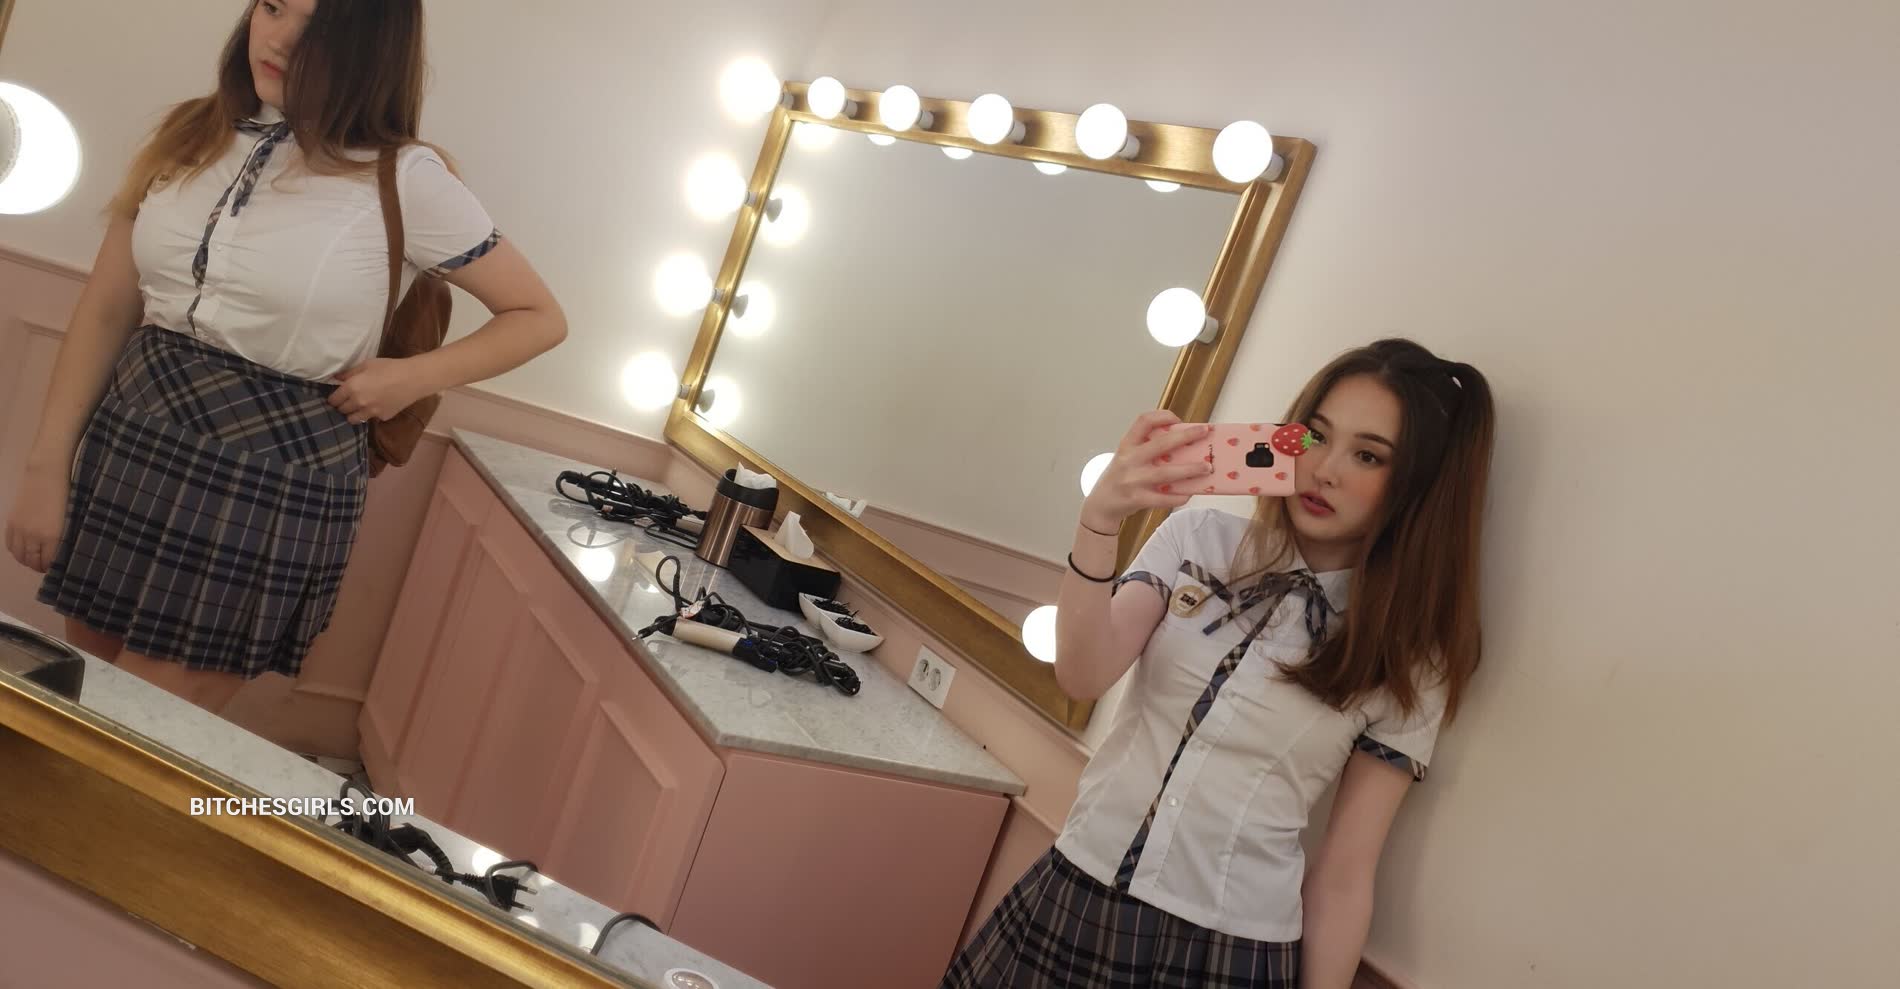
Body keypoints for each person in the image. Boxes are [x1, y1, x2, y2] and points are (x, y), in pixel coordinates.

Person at [2, 0, 566, 725]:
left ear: (368, 46)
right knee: (82, 697)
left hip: (271, 475)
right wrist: (46, 467)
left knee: (139, 725)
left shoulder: (404, 177)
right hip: (133, 441)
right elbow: (108, 309)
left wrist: (411, 377)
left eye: (318, 26)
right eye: (273, 5)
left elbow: (538, 316)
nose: (281, 39)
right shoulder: (189, 132)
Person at [943, 338, 1495, 988]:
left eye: (1368, 455)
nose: (1325, 470)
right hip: (1076, 892)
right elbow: (1082, 674)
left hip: (1230, 953)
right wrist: (1099, 521)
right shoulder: (1196, 539)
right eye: (1315, 436)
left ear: (1417, 488)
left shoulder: (1407, 654)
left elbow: (1346, 873)